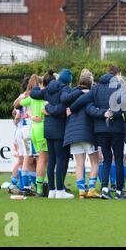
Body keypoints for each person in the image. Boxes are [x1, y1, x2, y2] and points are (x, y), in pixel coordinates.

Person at [31, 69, 74, 199]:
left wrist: (47, 107)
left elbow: (33, 93)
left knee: (52, 160)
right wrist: (51, 109)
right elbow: (61, 108)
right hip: (60, 128)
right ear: (68, 81)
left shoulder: (49, 88)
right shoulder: (65, 90)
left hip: (48, 129)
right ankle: (60, 190)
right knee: (60, 159)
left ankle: (51, 191)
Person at [86, 65, 125, 200]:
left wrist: (103, 113)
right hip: (117, 129)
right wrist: (112, 114)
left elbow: (88, 108)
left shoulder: (95, 89)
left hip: (100, 129)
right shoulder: (118, 88)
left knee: (106, 159)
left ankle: (104, 188)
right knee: (119, 159)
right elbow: (122, 107)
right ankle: (119, 191)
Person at [63, 69, 99, 199]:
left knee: (79, 164)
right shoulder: (93, 95)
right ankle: (92, 188)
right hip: (88, 132)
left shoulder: (72, 94)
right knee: (95, 161)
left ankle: (81, 191)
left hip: (73, 133)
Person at [18, 74, 50, 197]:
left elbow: (20, 102)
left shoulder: (31, 98)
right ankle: (42, 189)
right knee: (43, 160)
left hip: (33, 130)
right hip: (41, 128)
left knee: (38, 159)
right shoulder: (44, 98)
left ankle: (39, 188)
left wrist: (31, 115)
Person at [12, 76, 36, 196]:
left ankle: (22, 185)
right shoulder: (31, 95)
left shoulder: (23, 96)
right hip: (28, 129)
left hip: (22, 130)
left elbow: (15, 108)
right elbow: (15, 108)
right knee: (28, 158)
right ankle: (25, 186)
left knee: (26, 158)